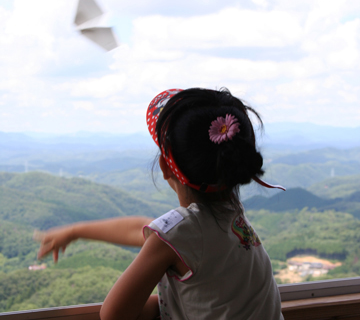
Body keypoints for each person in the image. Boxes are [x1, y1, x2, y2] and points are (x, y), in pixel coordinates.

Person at [36, 88, 285, 320]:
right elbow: (152, 233)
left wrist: (168, 304)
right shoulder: (231, 214)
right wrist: (76, 231)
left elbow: (113, 314)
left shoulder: (183, 234)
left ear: (166, 167)